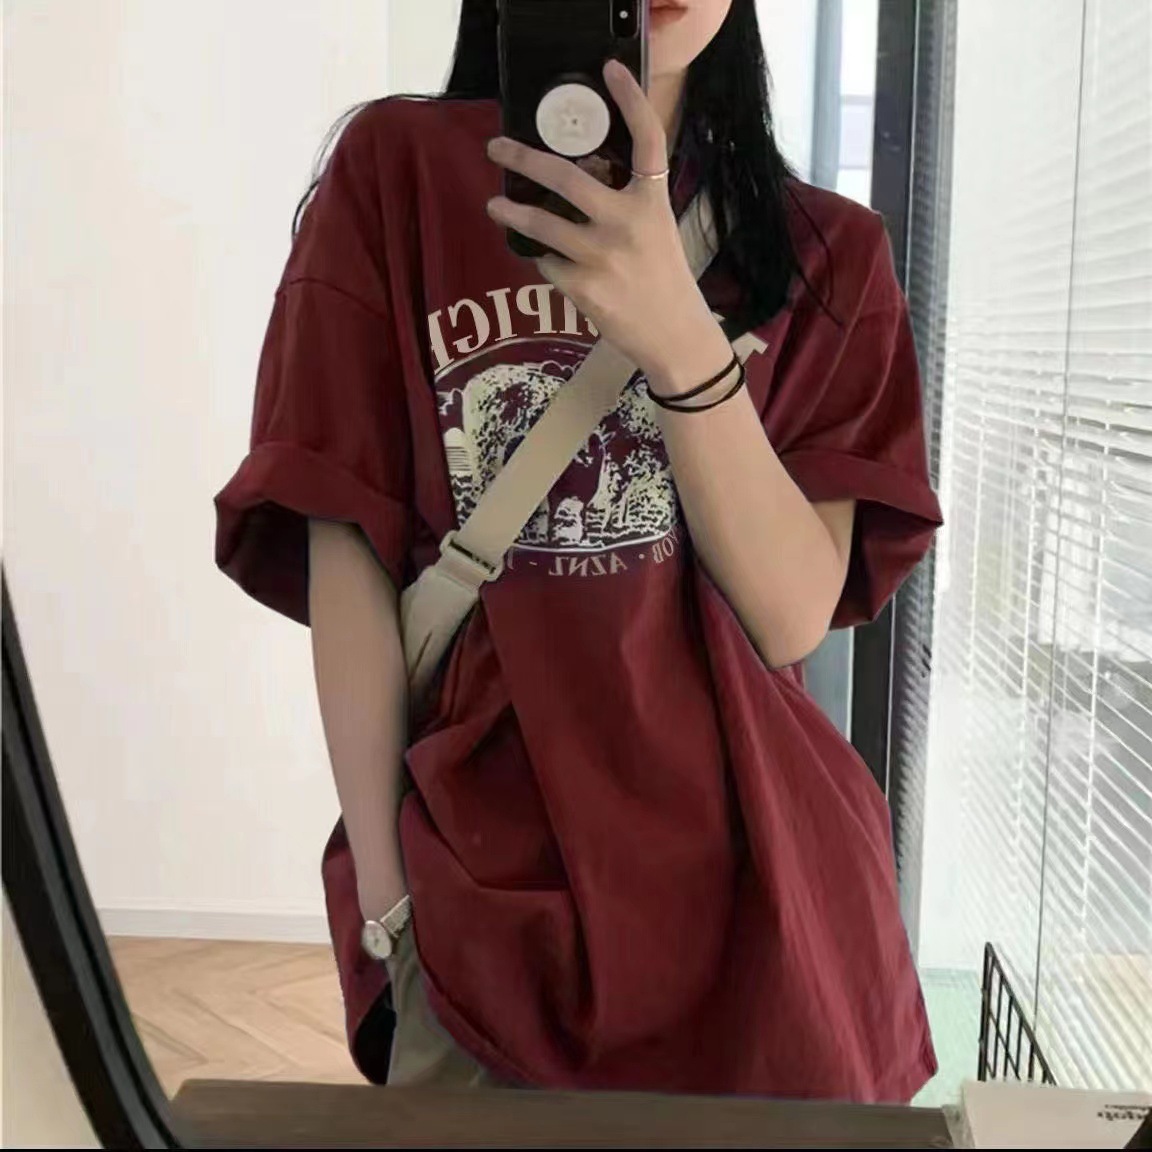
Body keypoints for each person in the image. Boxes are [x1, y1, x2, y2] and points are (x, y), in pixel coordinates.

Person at [214, 0, 944, 1100]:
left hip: (773, 928)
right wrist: (391, 912)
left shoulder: (830, 255)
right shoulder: (398, 176)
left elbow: (793, 612)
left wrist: (680, 333)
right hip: (481, 917)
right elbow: (347, 553)